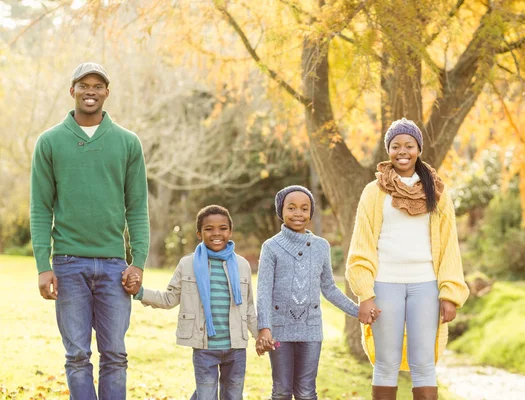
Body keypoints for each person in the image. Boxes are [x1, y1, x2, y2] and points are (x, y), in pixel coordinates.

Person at [29, 62, 149, 399]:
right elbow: (40, 208)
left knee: (115, 355)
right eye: (84, 85)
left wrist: (137, 260)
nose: (91, 91)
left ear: (107, 93)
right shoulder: (50, 142)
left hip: (113, 265)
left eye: (98, 85)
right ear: (73, 91)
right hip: (67, 264)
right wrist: (43, 265)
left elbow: (138, 207)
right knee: (77, 356)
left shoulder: (127, 143)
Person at [345, 118, 469, 400]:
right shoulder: (374, 192)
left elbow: (450, 245)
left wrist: (449, 293)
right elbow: (361, 245)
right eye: (396, 146)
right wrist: (365, 294)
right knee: (385, 362)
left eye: (409, 145)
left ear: (418, 149)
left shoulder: (437, 191)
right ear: (388, 150)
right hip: (384, 284)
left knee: (423, 363)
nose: (403, 151)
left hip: (426, 284)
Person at [131, 205, 258, 400]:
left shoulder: (242, 265)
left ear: (230, 231)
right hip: (205, 347)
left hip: (236, 347)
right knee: (206, 394)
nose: (216, 233)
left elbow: (248, 306)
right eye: (209, 229)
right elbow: (169, 298)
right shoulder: (187, 264)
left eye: (223, 228)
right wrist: (140, 292)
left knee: (233, 395)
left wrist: (260, 335)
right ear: (199, 233)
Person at [256, 185, 363, 400]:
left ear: (311, 212)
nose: (298, 214)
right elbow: (264, 290)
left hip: (311, 330)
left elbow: (329, 288)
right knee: (281, 391)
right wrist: (264, 328)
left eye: (304, 209)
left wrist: (357, 311)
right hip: (279, 331)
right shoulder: (271, 247)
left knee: (306, 392)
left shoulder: (321, 246)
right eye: (292, 208)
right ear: (281, 211)